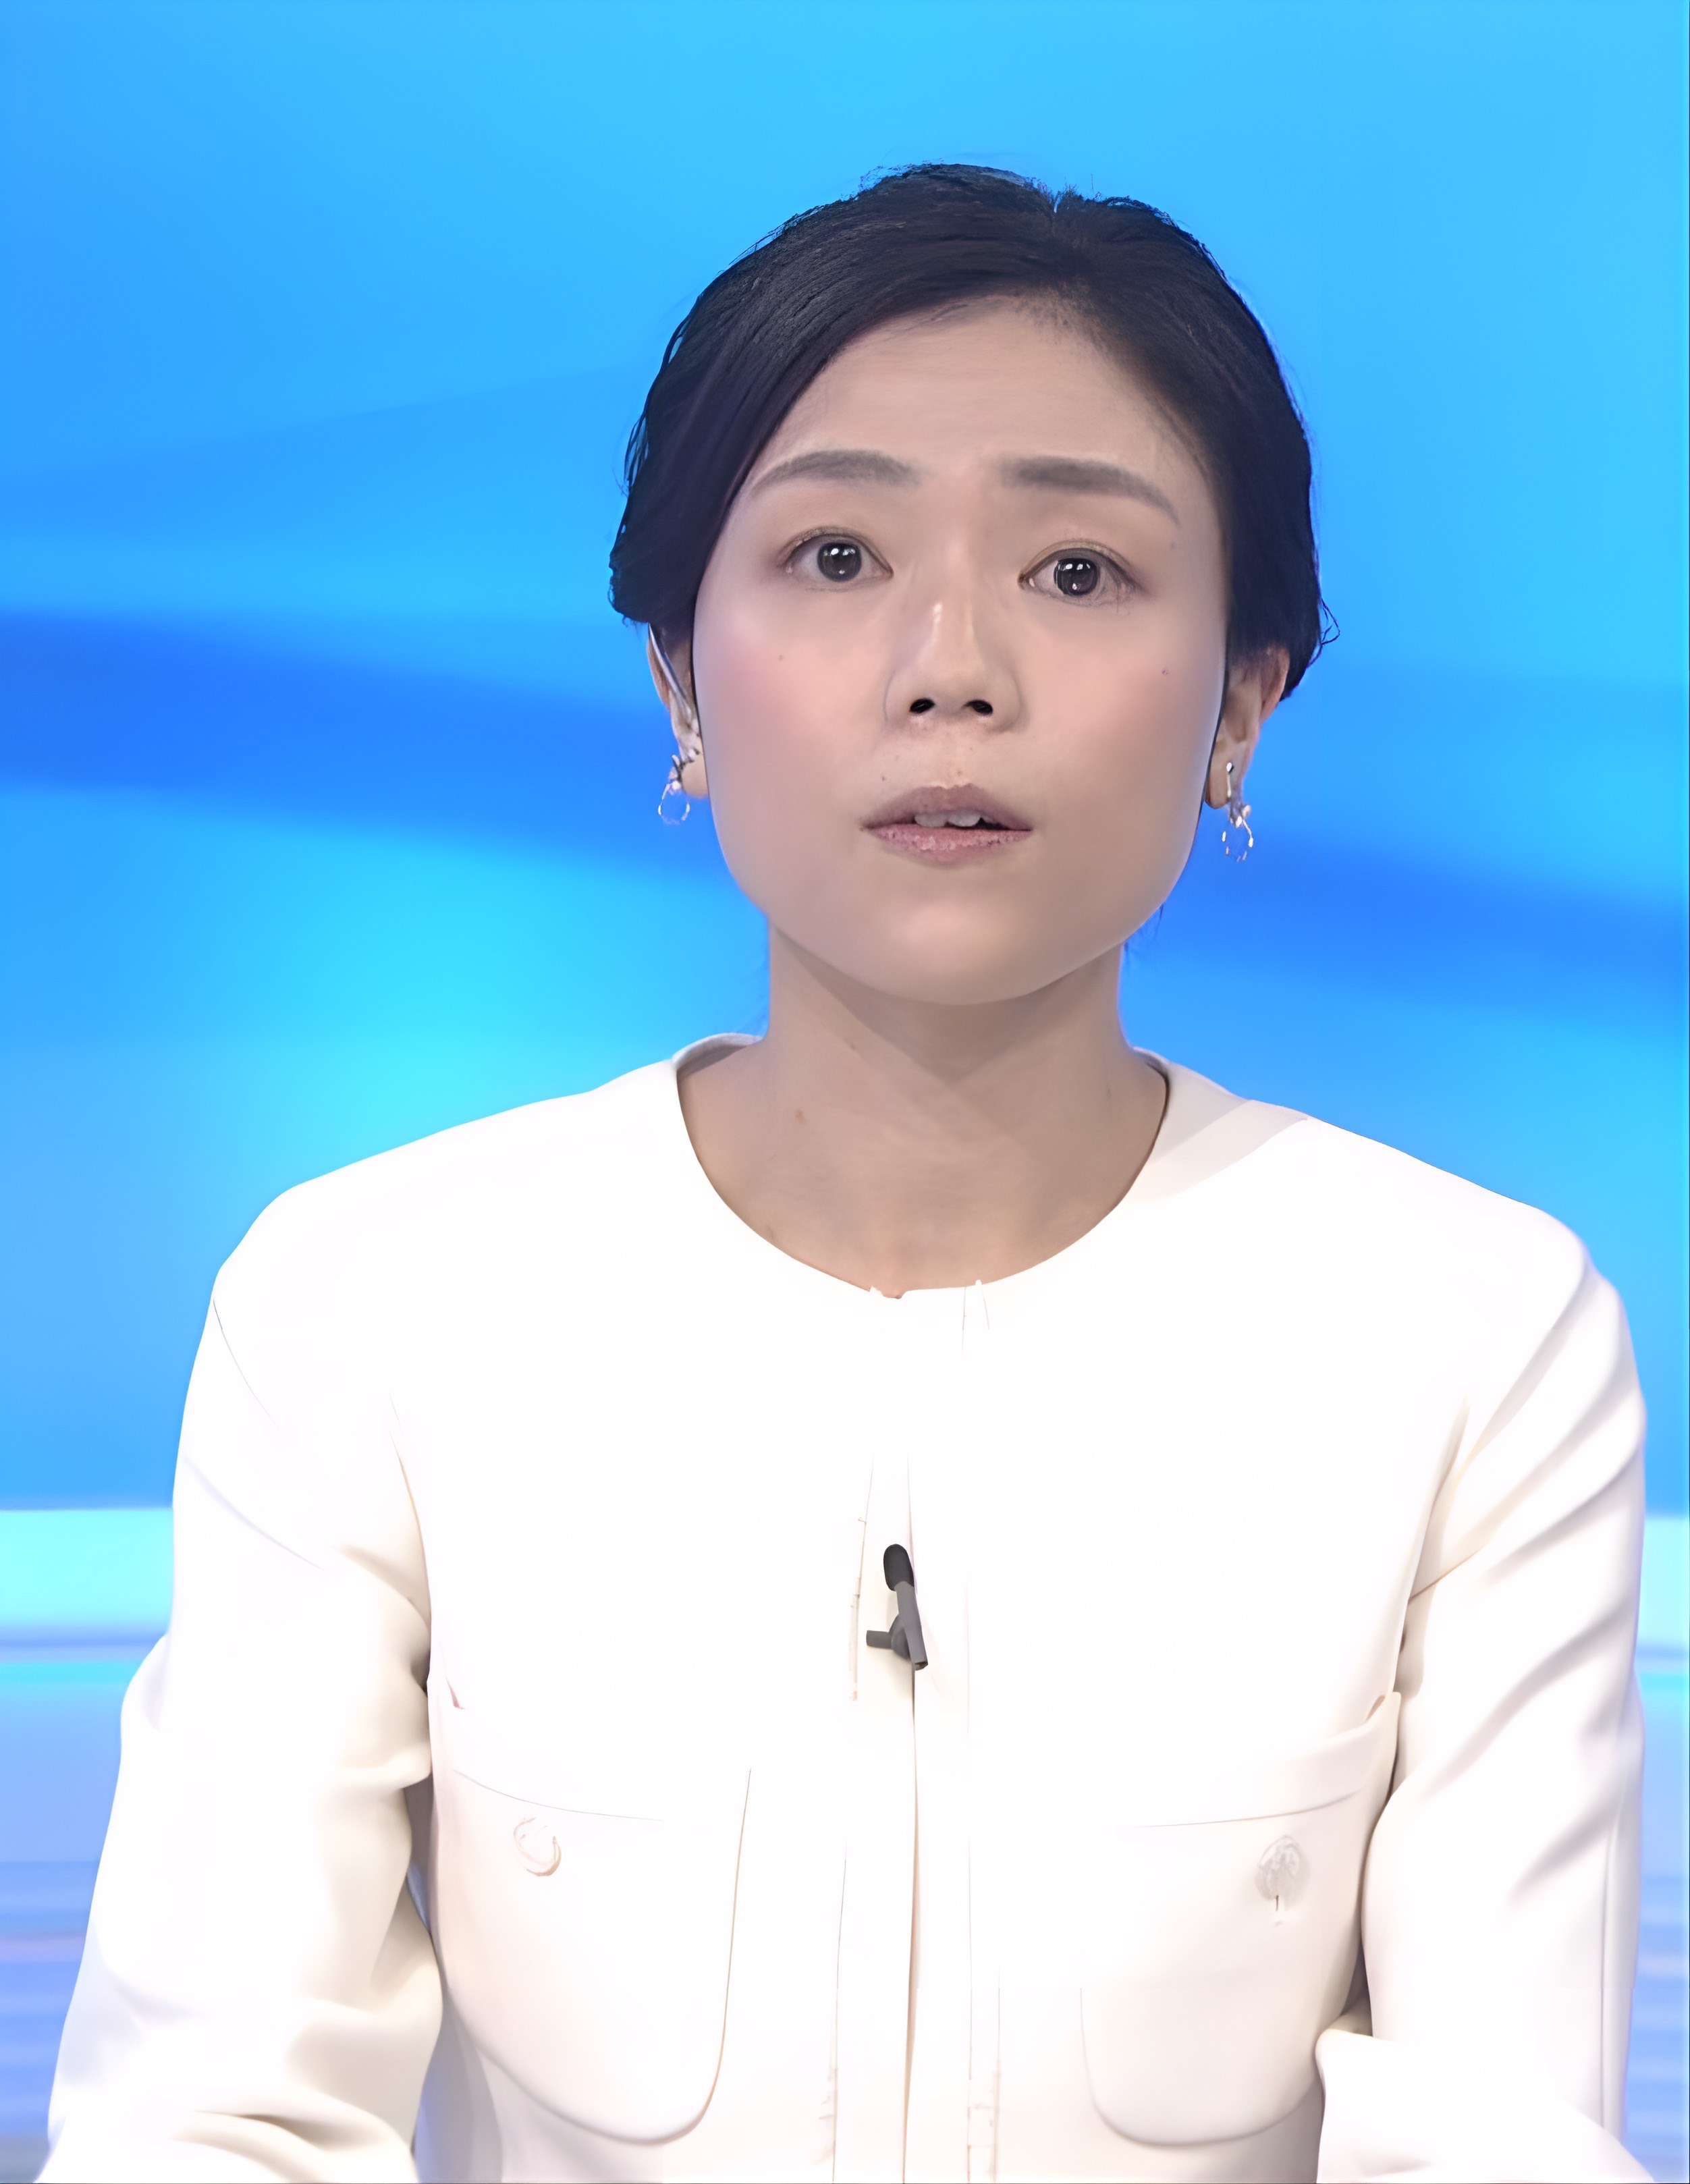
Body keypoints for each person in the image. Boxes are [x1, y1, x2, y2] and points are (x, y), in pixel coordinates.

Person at [43, 165, 1648, 2183]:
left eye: (1079, 572)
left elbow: (1499, 2141)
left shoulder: (1467, 1339)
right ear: (677, 678)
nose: (950, 666)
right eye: (833, 555)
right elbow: (212, 2122)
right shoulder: (374, 1303)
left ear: (1246, 695)